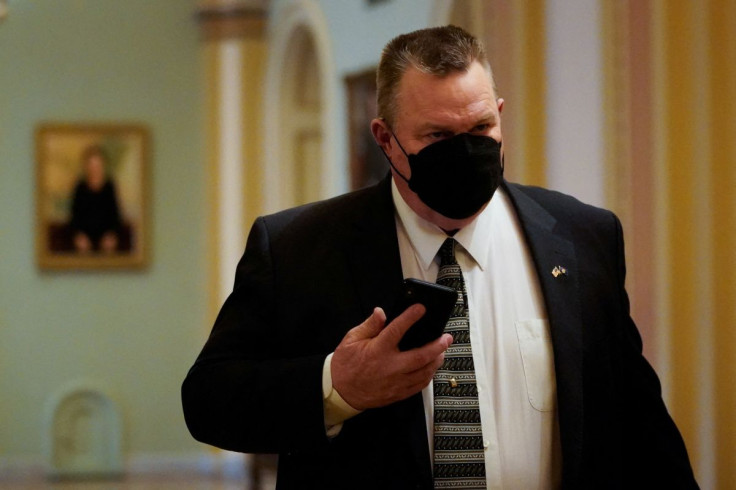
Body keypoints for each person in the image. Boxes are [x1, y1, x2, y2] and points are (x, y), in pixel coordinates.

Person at [182, 26, 698, 489]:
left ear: (499, 116)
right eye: (438, 136)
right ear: (386, 138)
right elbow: (208, 402)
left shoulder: (584, 237)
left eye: (479, 131)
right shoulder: (298, 247)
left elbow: (638, 421)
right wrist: (337, 385)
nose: (465, 151)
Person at [69, 145, 122, 253]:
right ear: (86, 166)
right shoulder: (80, 187)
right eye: (91, 164)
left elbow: (115, 214)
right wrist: (78, 236)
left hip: (106, 237)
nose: (94, 168)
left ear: (103, 165)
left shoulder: (109, 186)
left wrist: (111, 236)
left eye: (97, 164)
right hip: (84, 238)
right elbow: (74, 216)